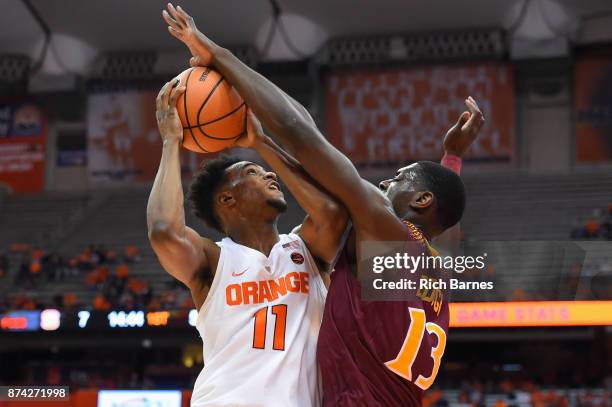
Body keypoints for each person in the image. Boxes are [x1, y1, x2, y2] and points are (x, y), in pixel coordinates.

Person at [161, 4, 484, 405]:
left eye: (399, 178)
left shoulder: (385, 230)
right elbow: (441, 214)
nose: (385, 182)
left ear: (421, 200)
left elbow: (300, 131)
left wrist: (217, 55)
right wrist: (450, 159)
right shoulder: (432, 263)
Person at [146, 74, 347, 405]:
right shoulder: (213, 260)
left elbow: (332, 213)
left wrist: (261, 144)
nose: (269, 174)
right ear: (227, 200)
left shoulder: (306, 249)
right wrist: (170, 142)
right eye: (252, 172)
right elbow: (165, 231)